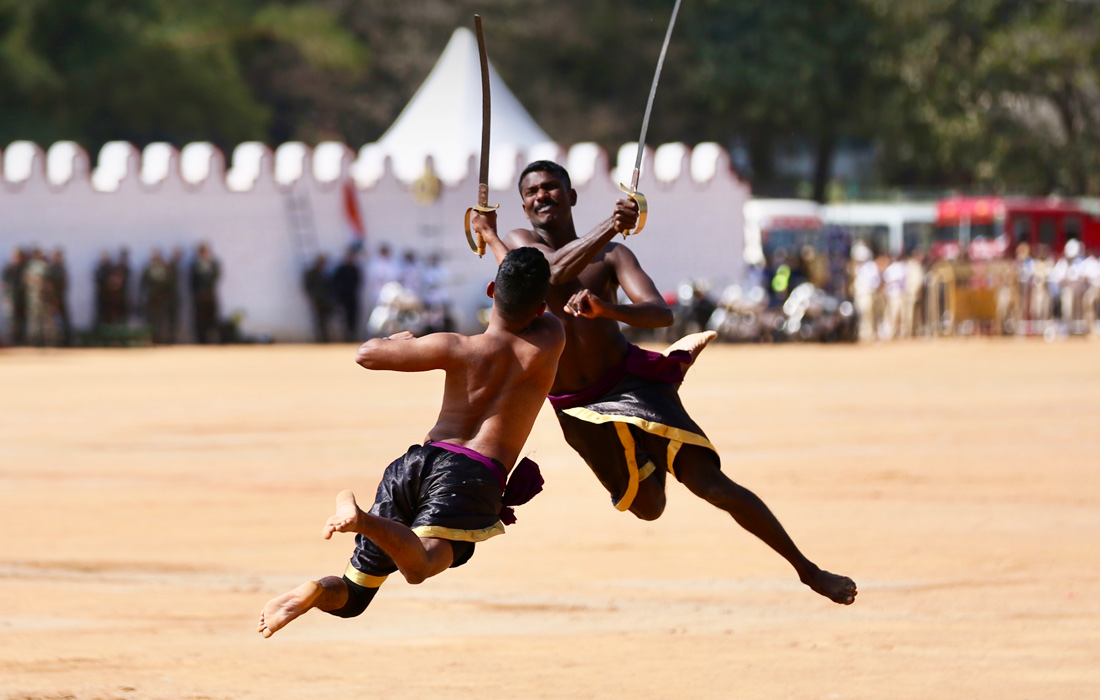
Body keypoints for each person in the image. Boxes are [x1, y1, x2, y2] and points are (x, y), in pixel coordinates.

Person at [471, 160, 856, 605]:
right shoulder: (521, 244)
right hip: (576, 406)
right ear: (523, 206)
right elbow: (551, 273)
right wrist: (603, 226)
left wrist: (608, 310)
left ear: (571, 195)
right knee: (650, 508)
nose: (542, 196)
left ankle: (809, 571)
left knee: (711, 484)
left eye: (552, 187)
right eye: (532, 191)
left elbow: (660, 313)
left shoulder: (613, 257)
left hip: (630, 383)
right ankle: (653, 433)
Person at [257, 247, 565, 637]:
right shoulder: (549, 339)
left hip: (416, 463)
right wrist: (499, 246)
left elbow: (367, 355)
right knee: (419, 567)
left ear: (491, 290)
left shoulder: (457, 347)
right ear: (540, 307)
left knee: (354, 597)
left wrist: (393, 339)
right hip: (470, 477)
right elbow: (534, 287)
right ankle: (364, 520)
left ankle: (316, 590)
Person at [189, 242, 220, 343]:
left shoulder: (213, 264)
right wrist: (196, 293)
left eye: (205, 252)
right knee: (200, 319)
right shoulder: (195, 265)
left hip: (210, 295)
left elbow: (216, 277)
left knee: (211, 318)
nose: (203, 254)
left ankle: (213, 339)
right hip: (199, 296)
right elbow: (192, 281)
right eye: (201, 252)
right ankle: (201, 339)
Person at [331, 247, 363, 342]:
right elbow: (335, 282)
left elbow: (358, 281)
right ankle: (346, 336)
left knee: (354, 316)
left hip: (352, 296)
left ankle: (352, 334)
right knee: (344, 317)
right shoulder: (341, 269)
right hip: (343, 297)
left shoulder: (354, 269)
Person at [303, 253, 334, 343]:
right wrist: (314, 296)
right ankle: (321, 339)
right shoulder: (312, 274)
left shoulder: (325, 274)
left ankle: (325, 338)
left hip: (326, 300)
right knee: (319, 321)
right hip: (317, 300)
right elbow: (308, 287)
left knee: (326, 321)